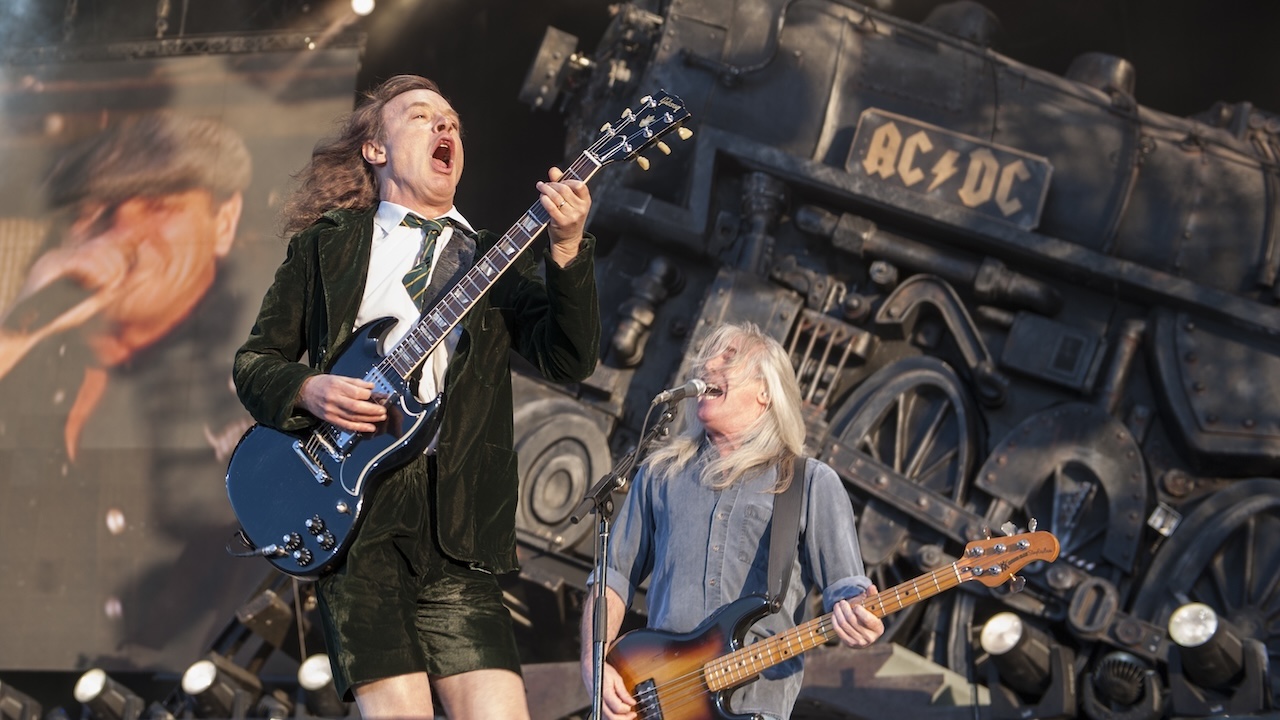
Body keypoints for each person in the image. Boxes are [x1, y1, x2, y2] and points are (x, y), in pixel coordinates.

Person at [232, 74, 600, 719]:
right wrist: (309, 388)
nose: (446, 128)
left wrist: (566, 248)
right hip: (354, 520)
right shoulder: (328, 246)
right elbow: (255, 362)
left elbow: (569, 356)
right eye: (423, 117)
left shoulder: (492, 259)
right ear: (375, 149)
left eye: (453, 121)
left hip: (457, 518)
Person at [579, 322, 884, 720]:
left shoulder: (808, 482)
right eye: (707, 357)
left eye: (729, 358)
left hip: (757, 704)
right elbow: (613, 577)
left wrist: (859, 615)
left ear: (765, 391)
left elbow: (847, 589)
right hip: (659, 700)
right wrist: (594, 663)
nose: (707, 366)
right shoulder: (661, 474)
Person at [0, 111, 250, 461]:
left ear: (223, 223)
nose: (120, 233)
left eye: (157, 205)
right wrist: (18, 329)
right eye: (92, 210)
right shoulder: (38, 356)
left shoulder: (252, 381)